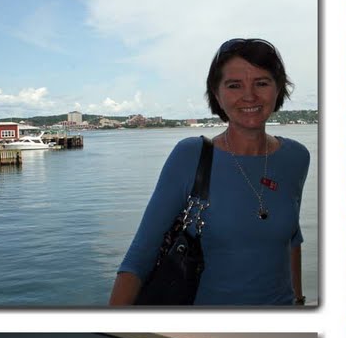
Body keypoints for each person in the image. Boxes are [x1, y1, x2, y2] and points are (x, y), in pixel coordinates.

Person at [111, 38, 309, 307]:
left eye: (261, 83)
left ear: (278, 89)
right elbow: (140, 255)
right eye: (234, 85)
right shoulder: (190, 155)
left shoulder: (296, 157)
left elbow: (291, 239)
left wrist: (298, 301)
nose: (249, 95)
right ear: (217, 95)